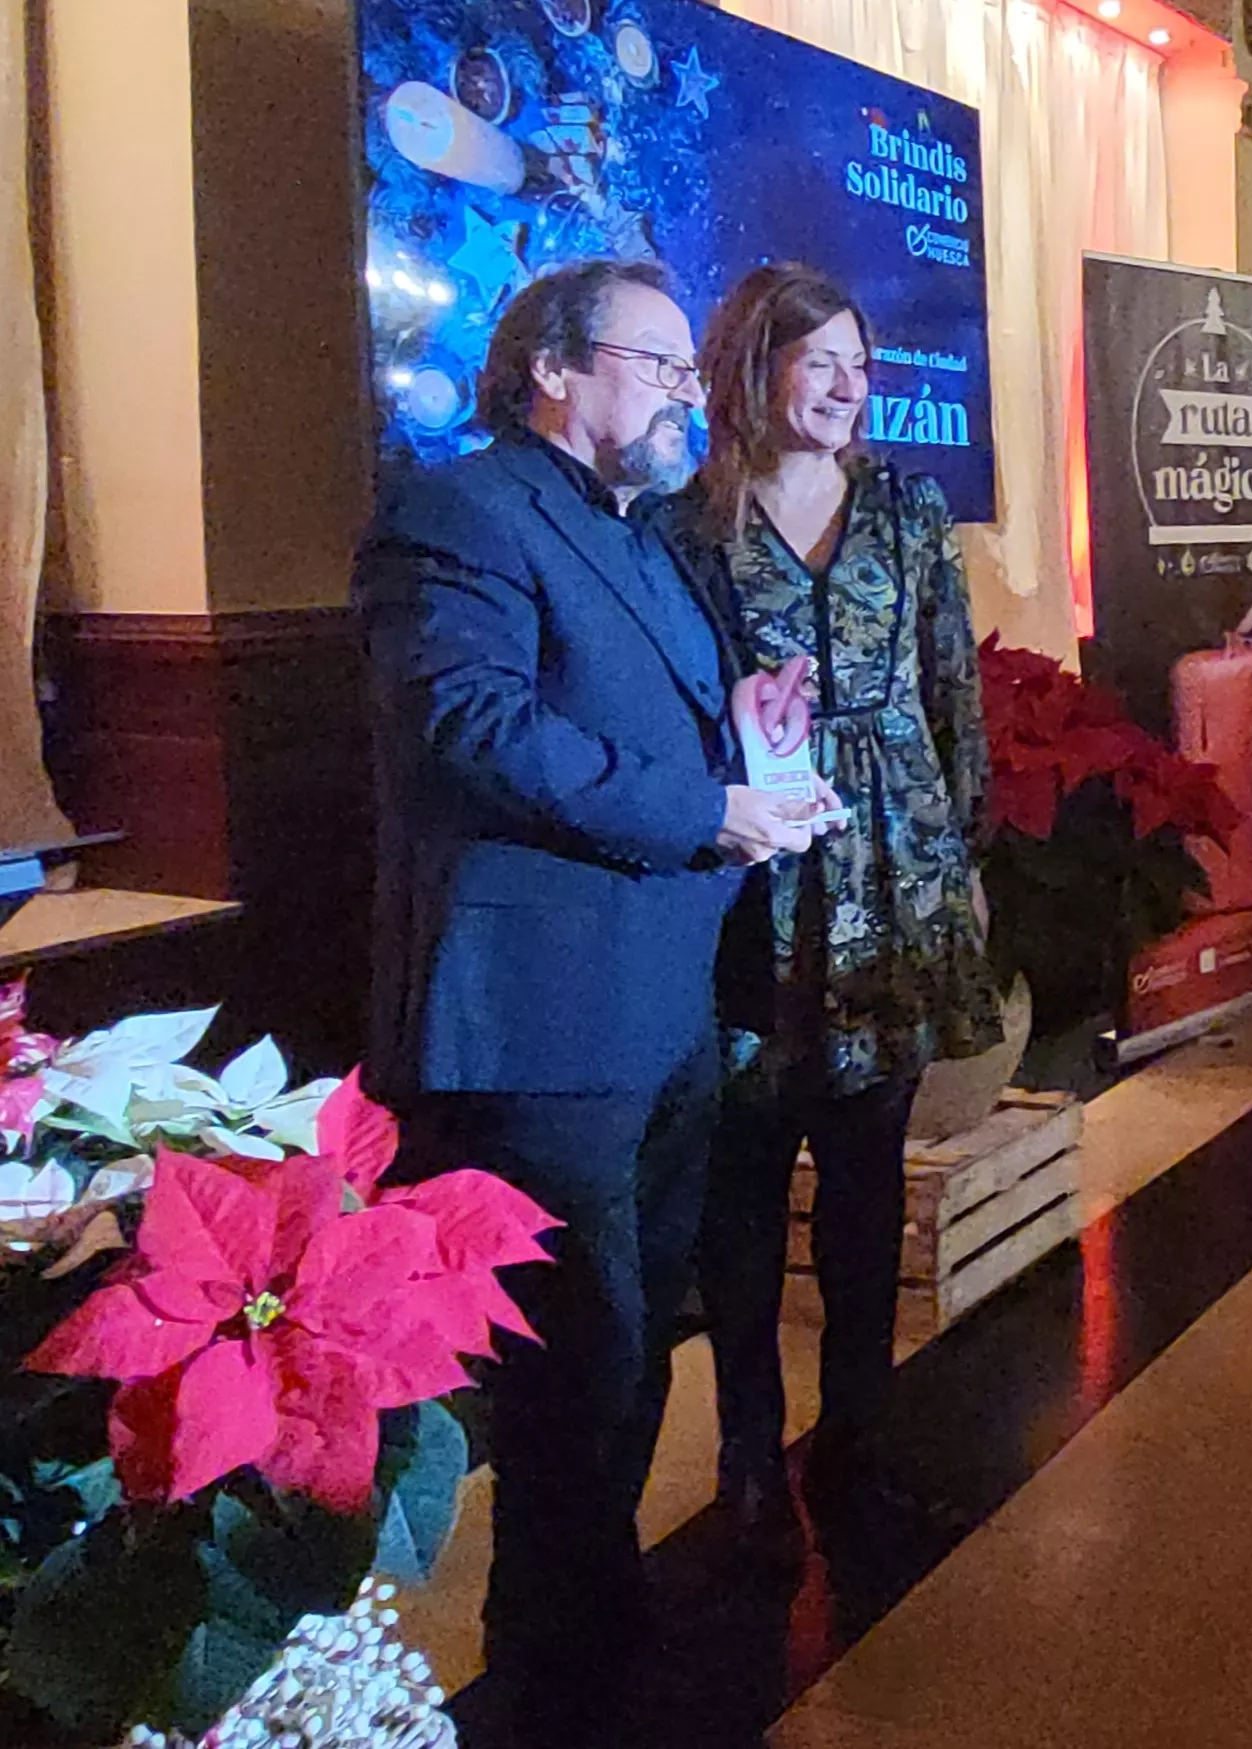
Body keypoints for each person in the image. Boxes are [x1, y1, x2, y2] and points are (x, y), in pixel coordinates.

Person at [356, 260, 833, 1748]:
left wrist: (743, 742)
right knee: (576, 1364)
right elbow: (471, 725)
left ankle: (597, 1625)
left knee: (630, 1353)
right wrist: (703, 809)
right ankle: (553, 1672)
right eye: (661, 364)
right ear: (554, 369)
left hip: (662, 1000)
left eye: (691, 370)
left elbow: (645, 727)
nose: (689, 394)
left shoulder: (635, 532)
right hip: (541, 1019)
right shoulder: (460, 512)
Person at [649, 264, 1004, 1550]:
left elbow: (949, 685)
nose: (850, 386)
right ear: (756, 368)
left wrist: (964, 851)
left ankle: (859, 1435)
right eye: (823, 362)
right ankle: (749, 1454)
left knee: (863, 1182)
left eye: (862, 364)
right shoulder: (685, 524)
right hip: (746, 870)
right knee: (741, 1186)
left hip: (891, 869)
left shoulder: (907, 508)